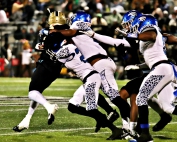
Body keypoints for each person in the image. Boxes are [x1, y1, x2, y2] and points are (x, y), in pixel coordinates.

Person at [67, 10, 132, 140]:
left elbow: (67, 31)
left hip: (100, 64)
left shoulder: (76, 29)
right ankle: (110, 113)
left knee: (115, 97)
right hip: (98, 66)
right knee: (73, 105)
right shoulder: (82, 34)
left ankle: (128, 128)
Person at [121, 14, 177, 142]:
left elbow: (151, 35)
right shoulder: (153, 37)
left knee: (141, 97)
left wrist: (132, 35)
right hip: (162, 68)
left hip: (161, 69)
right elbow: (154, 56)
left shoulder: (150, 30)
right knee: (167, 107)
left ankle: (145, 135)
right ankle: (146, 134)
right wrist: (138, 66)